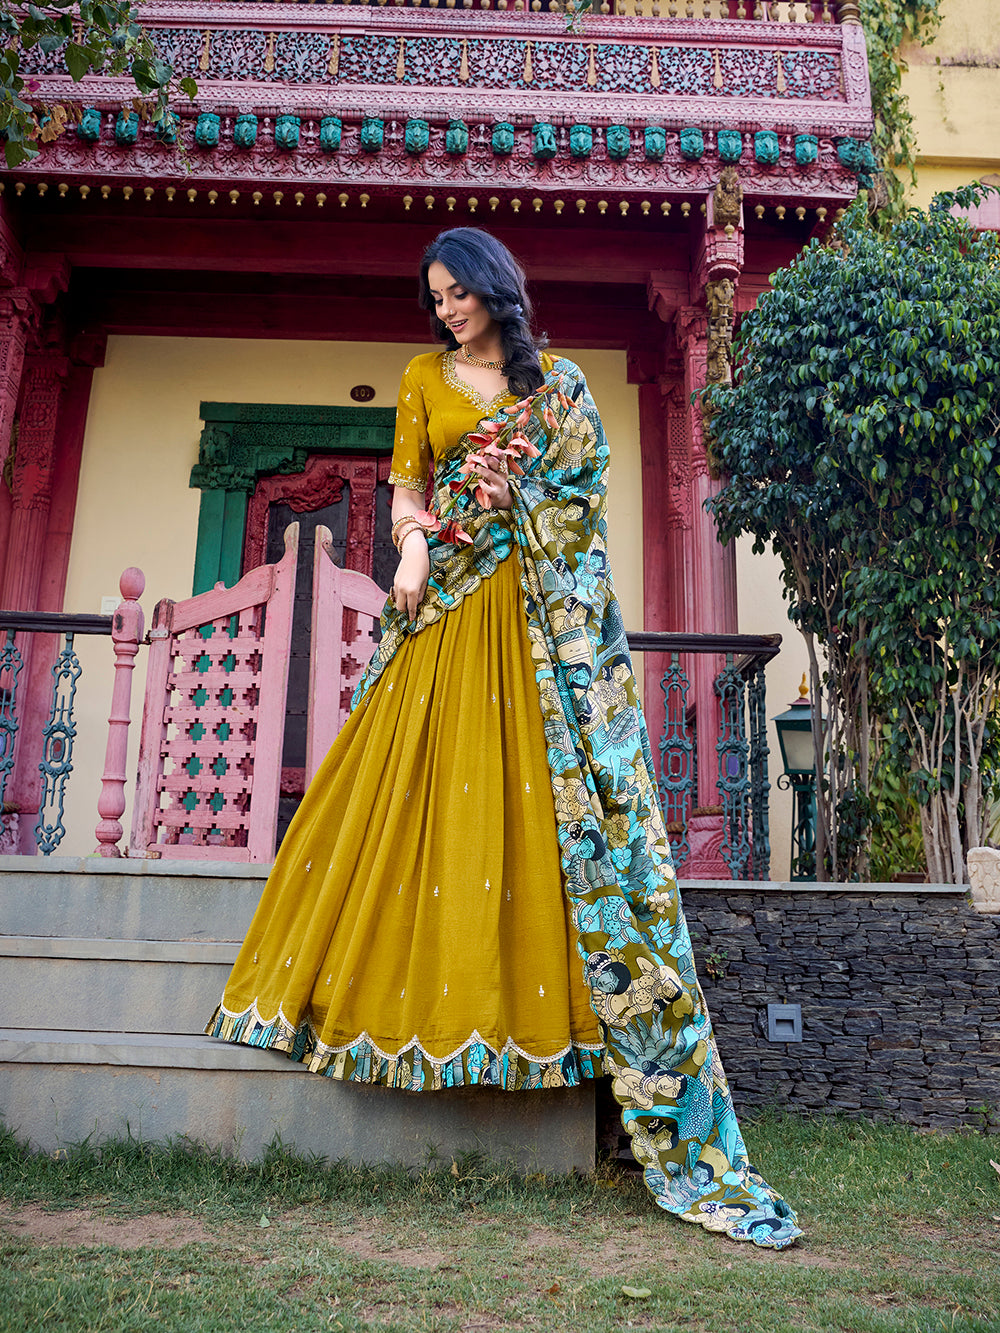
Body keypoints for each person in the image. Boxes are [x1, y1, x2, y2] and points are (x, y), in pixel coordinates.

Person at [206, 227, 801, 1249]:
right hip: (448, 610)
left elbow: (583, 498)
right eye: (433, 298)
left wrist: (515, 489)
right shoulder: (420, 379)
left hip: (537, 622)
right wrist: (409, 544)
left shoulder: (558, 384)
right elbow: (405, 486)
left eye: (456, 294)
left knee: (541, 812)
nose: (444, 311)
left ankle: (568, 1033)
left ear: (493, 289)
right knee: (410, 796)